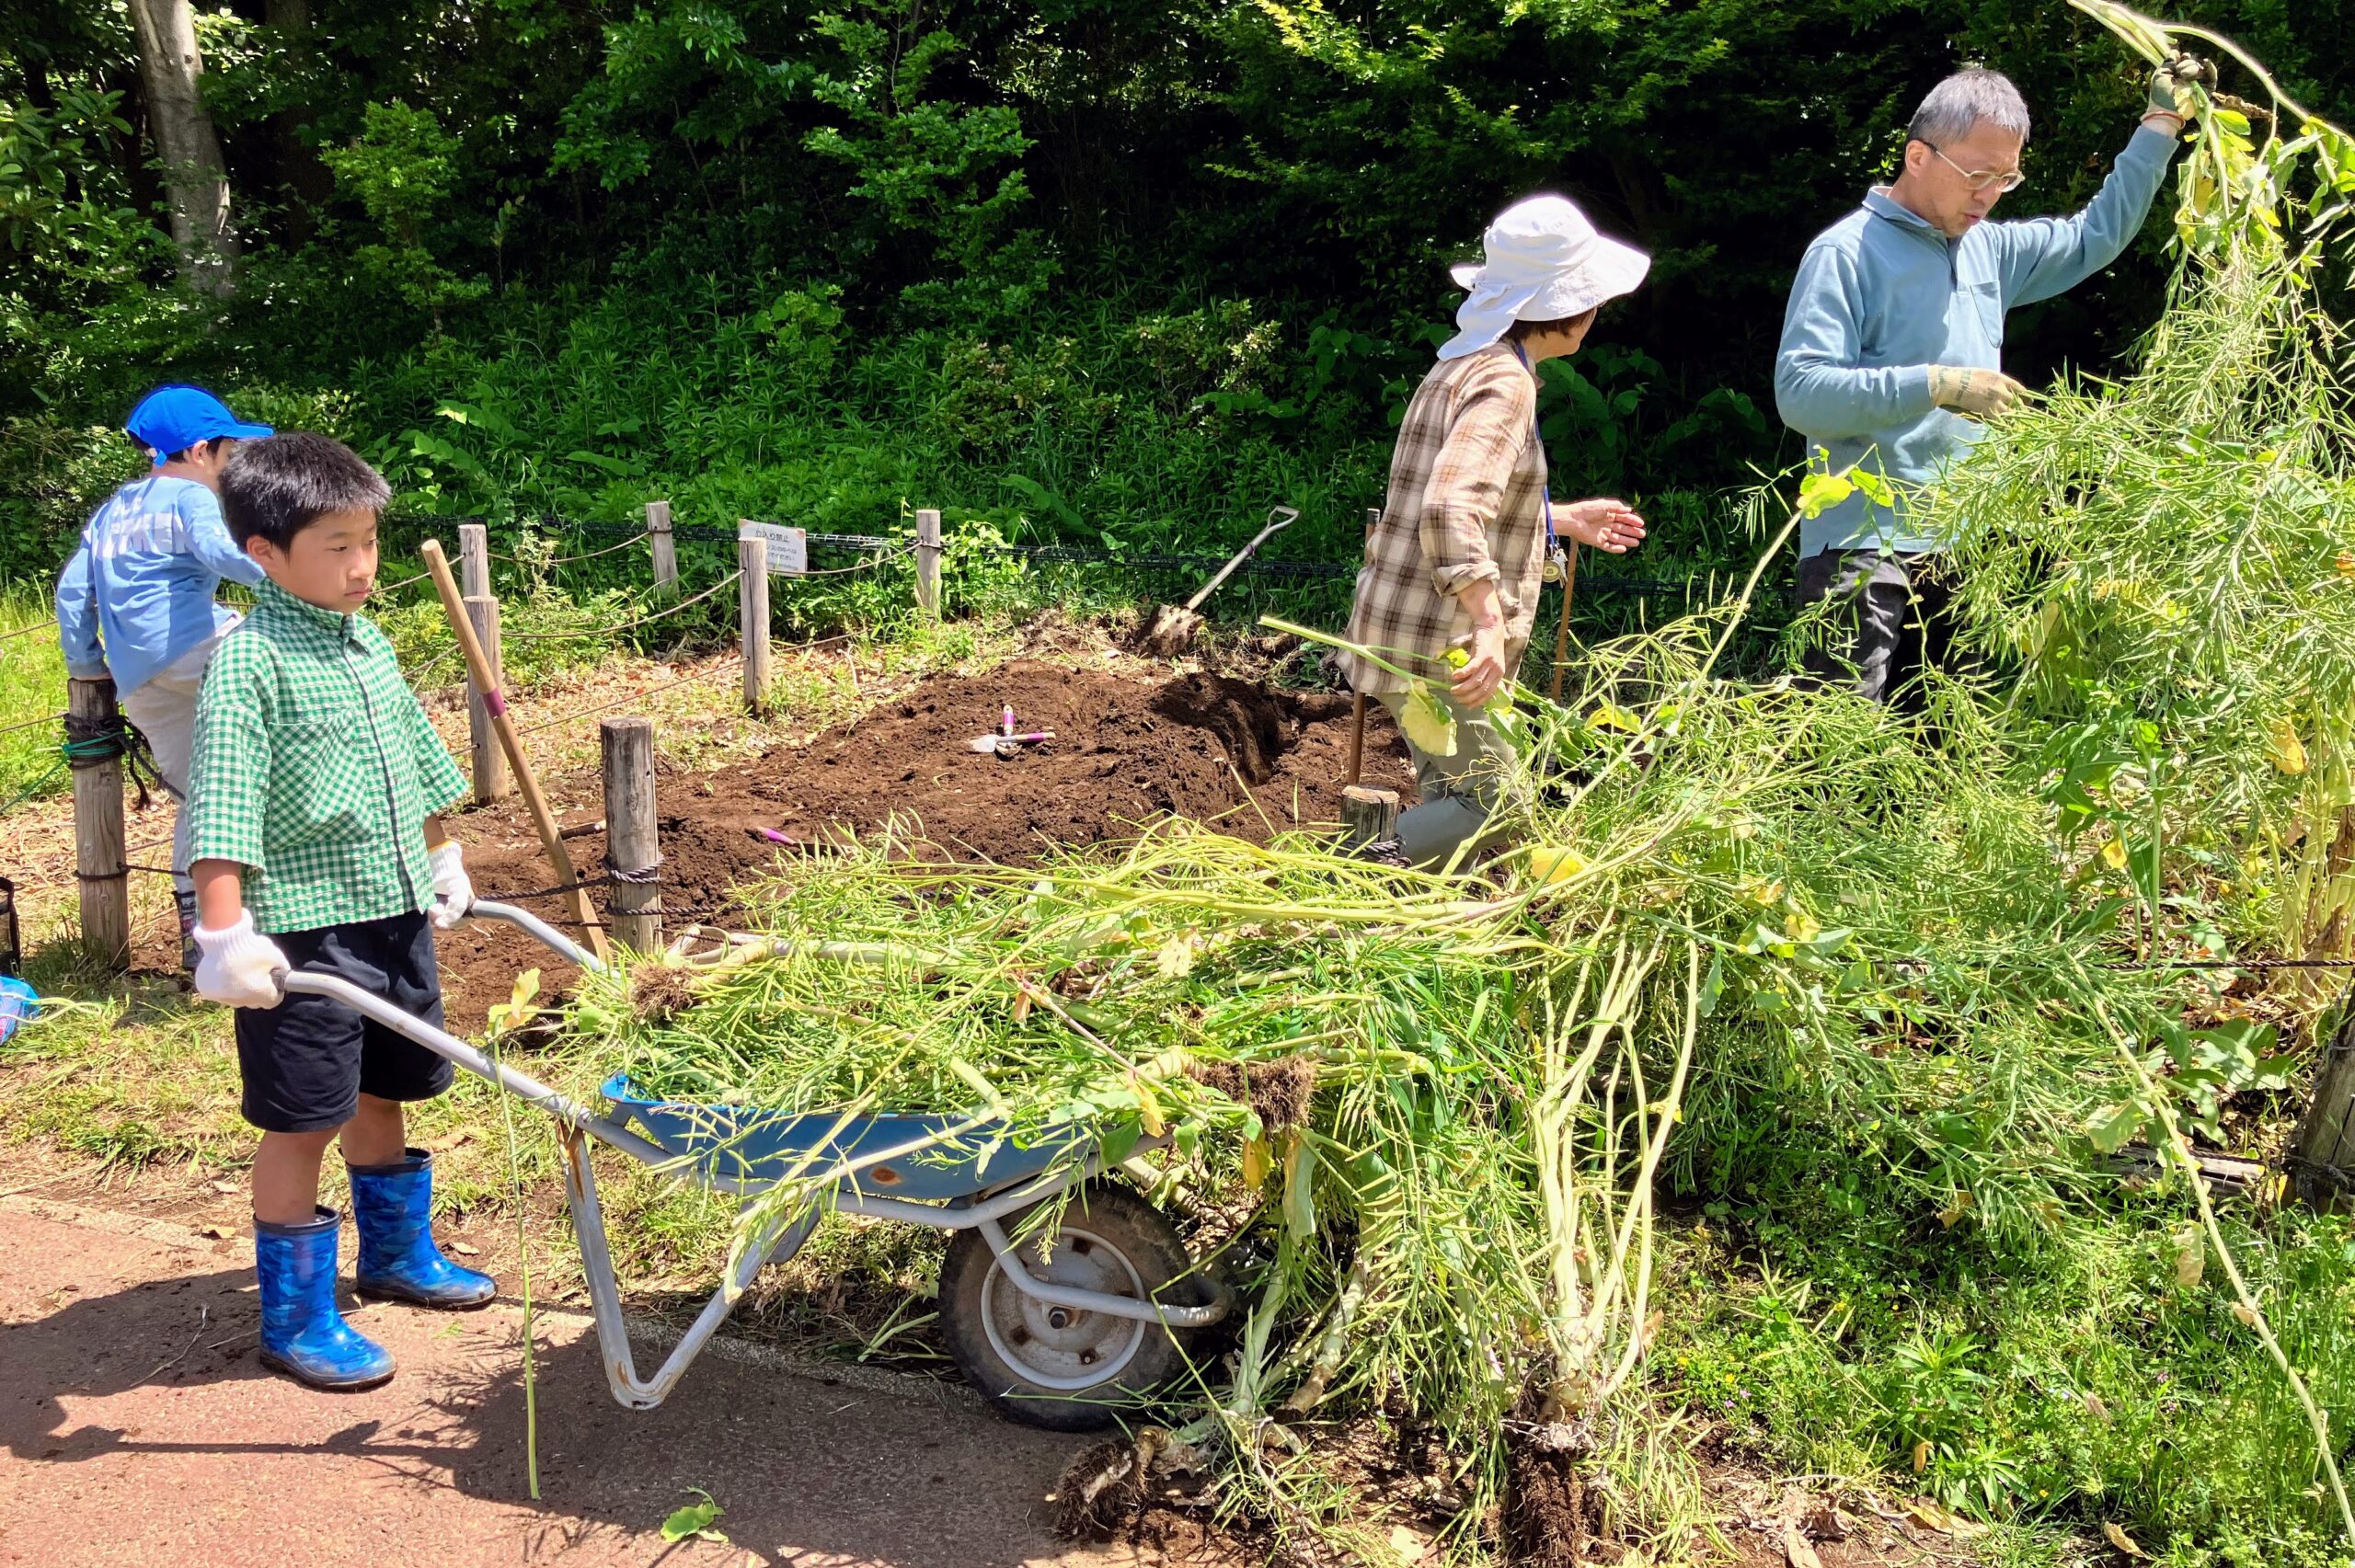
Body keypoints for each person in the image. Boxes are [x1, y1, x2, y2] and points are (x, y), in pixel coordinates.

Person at [182, 432, 489, 1391]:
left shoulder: (367, 641)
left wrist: (440, 852)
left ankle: (394, 1255)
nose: (363, 566)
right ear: (265, 553)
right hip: (302, 936)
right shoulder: (251, 662)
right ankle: (295, 1316)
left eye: (370, 542)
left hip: (390, 910)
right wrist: (225, 933)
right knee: (303, 1117)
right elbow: (223, 804)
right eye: (337, 547)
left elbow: (414, 758)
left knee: (383, 1088)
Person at [1775, 57, 2210, 705]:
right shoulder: (1845, 253)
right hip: (1862, 546)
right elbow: (1802, 393)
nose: (1989, 196)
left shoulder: (1989, 250)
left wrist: (2161, 124)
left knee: (1949, 750)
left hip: (1966, 546)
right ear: (1918, 156)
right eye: (1977, 176)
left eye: (2006, 179)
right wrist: (1940, 384)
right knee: (1842, 745)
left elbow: (2095, 236)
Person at [1341, 194, 1650, 868]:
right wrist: (1487, 622)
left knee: (1453, 799)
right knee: (1498, 805)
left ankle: (1396, 906)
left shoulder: (1462, 363)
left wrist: (1560, 518)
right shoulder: (1507, 383)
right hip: (1441, 640)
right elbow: (1449, 508)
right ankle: (1344, 873)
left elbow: (1446, 494)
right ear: (1566, 306)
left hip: (1403, 625)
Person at [55, 386, 274, 956]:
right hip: (198, 648)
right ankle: (282, 903)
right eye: (229, 453)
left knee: (198, 795)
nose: (231, 466)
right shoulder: (191, 495)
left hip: (138, 678)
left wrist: (87, 664)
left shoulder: (113, 510)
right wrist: (288, 578)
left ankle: (203, 939)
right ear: (200, 451)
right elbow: (220, 552)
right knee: (288, 736)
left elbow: (72, 591)